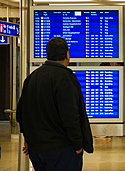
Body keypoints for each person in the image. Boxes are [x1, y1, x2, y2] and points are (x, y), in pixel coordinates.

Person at [16, 37, 93, 171]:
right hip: (62, 149)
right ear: (67, 55)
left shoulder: (32, 78)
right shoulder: (65, 78)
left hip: (37, 149)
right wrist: (77, 145)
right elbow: (70, 115)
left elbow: (21, 113)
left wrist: (28, 138)